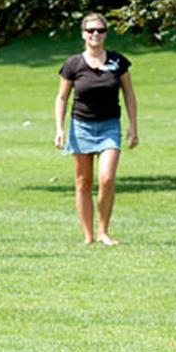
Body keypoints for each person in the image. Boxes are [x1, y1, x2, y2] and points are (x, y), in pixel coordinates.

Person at [55, 14, 138, 246]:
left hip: (110, 126)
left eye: (100, 30)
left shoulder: (118, 62)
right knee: (83, 182)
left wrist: (134, 127)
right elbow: (62, 97)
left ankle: (103, 231)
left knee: (107, 178)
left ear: (106, 34)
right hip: (81, 126)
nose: (95, 35)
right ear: (83, 34)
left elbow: (129, 94)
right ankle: (88, 235)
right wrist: (60, 129)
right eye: (91, 30)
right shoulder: (73, 64)